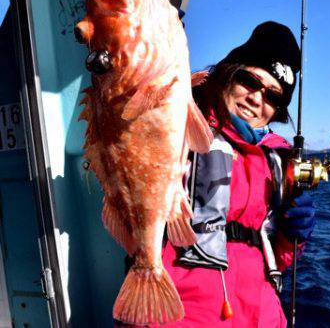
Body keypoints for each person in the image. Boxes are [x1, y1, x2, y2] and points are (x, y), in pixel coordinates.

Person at [116, 21, 316, 327]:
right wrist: (145, 32)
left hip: (261, 315)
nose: (257, 98)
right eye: (250, 80)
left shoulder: (278, 157)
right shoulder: (181, 121)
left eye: (273, 96)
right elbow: (129, 110)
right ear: (230, 72)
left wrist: (293, 237)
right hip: (180, 313)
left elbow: (279, 257)